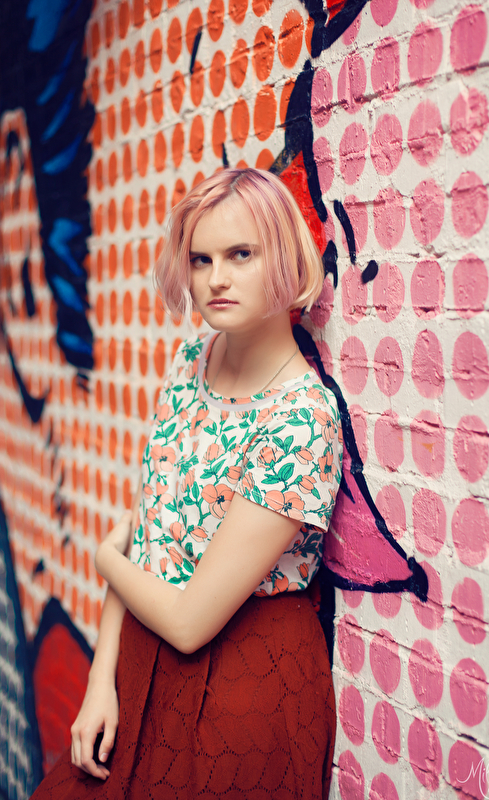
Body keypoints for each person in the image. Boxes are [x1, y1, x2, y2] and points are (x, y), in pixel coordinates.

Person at [31, 168, 343, 800]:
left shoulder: (301, 421)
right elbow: (146, 532)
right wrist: (100, 680)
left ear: (283, 257)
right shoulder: (188, 363)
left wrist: (103, 558)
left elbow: (187, 620)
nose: (216, 278)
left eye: (240, 254)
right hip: (144, 657)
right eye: (202, 259)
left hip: (247, 682)